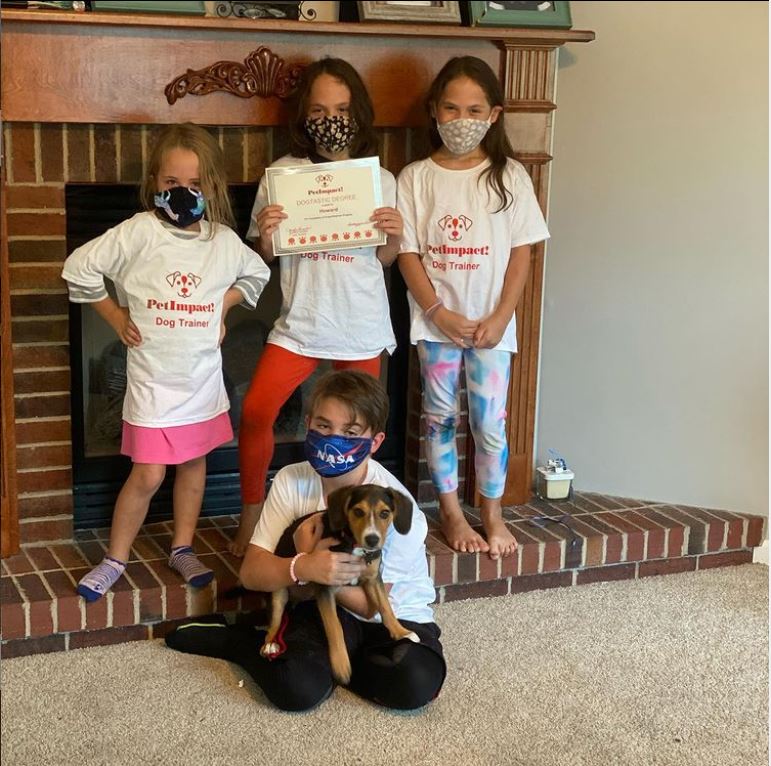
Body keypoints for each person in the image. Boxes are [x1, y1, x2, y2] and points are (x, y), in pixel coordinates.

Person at [61, 123, 271, 601]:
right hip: (154, 382)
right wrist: (114, 315)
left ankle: (182, 546)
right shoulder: (138, 233)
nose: (183, 194)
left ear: (212, 188)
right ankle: (115, 556)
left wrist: (224, 305)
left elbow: (257, 273)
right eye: (173, 184)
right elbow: (79, 267)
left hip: (200, 381)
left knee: (194, 464)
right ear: (155, 182)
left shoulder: (221, 242)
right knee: (150, 473)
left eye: (195, 186)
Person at [166, 370, 445, 712]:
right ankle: (240, 643)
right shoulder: (291, 480)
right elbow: (251, 574)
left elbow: (372, 606)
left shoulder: (396, 507)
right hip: (322, 610)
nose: (333, 438)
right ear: (308, 422)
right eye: (324, 426)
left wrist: (316, 564)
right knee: (294, 690)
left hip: (393, 616)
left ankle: (332, 667)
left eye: (350, 432)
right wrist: (302, 563)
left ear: (375, 442)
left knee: (414, 683)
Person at [232, 57, 403, 556]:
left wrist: (394, 235)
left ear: (359, 113)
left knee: (357, 431)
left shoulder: (381, 179)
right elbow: (265, 256)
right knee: (258, 411)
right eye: (321, 109)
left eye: (343, 108)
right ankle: (251, 515)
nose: (332, 118)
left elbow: (386, 260)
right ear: (304, 115)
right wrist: (266, 233)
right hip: (302, 321)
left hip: (360, 323)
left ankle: (353, 520)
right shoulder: (283, 175)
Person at [397, 56, 550, 560]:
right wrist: (437, 311)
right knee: (439, 416)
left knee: (489, 421)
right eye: (452, 107)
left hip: (491, 328)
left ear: (494, 114)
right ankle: (450, 511)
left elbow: (522, 252)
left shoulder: (509, 178)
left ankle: (492, 512)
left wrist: (503, 316)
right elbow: (407, 252)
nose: (462, 119)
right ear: (435, 111)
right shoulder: (416, 178)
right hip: (438, 325)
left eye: (474, 109)